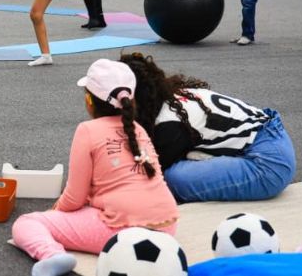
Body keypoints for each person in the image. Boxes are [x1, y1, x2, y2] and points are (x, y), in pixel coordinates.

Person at [11, 59, 178, 276]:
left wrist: (54, 213)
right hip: (167, 226)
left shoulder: (87, 130)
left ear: (89, 99)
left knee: (27, 223)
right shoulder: (137, 129)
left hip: (124, 228)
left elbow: (74, 198)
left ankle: (53, 255)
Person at [121, 52, 296, 202]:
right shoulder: (173, 95)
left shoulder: (167, 124)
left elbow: (147, 176)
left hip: (268, 165)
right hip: (271, 136)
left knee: (172, 179)